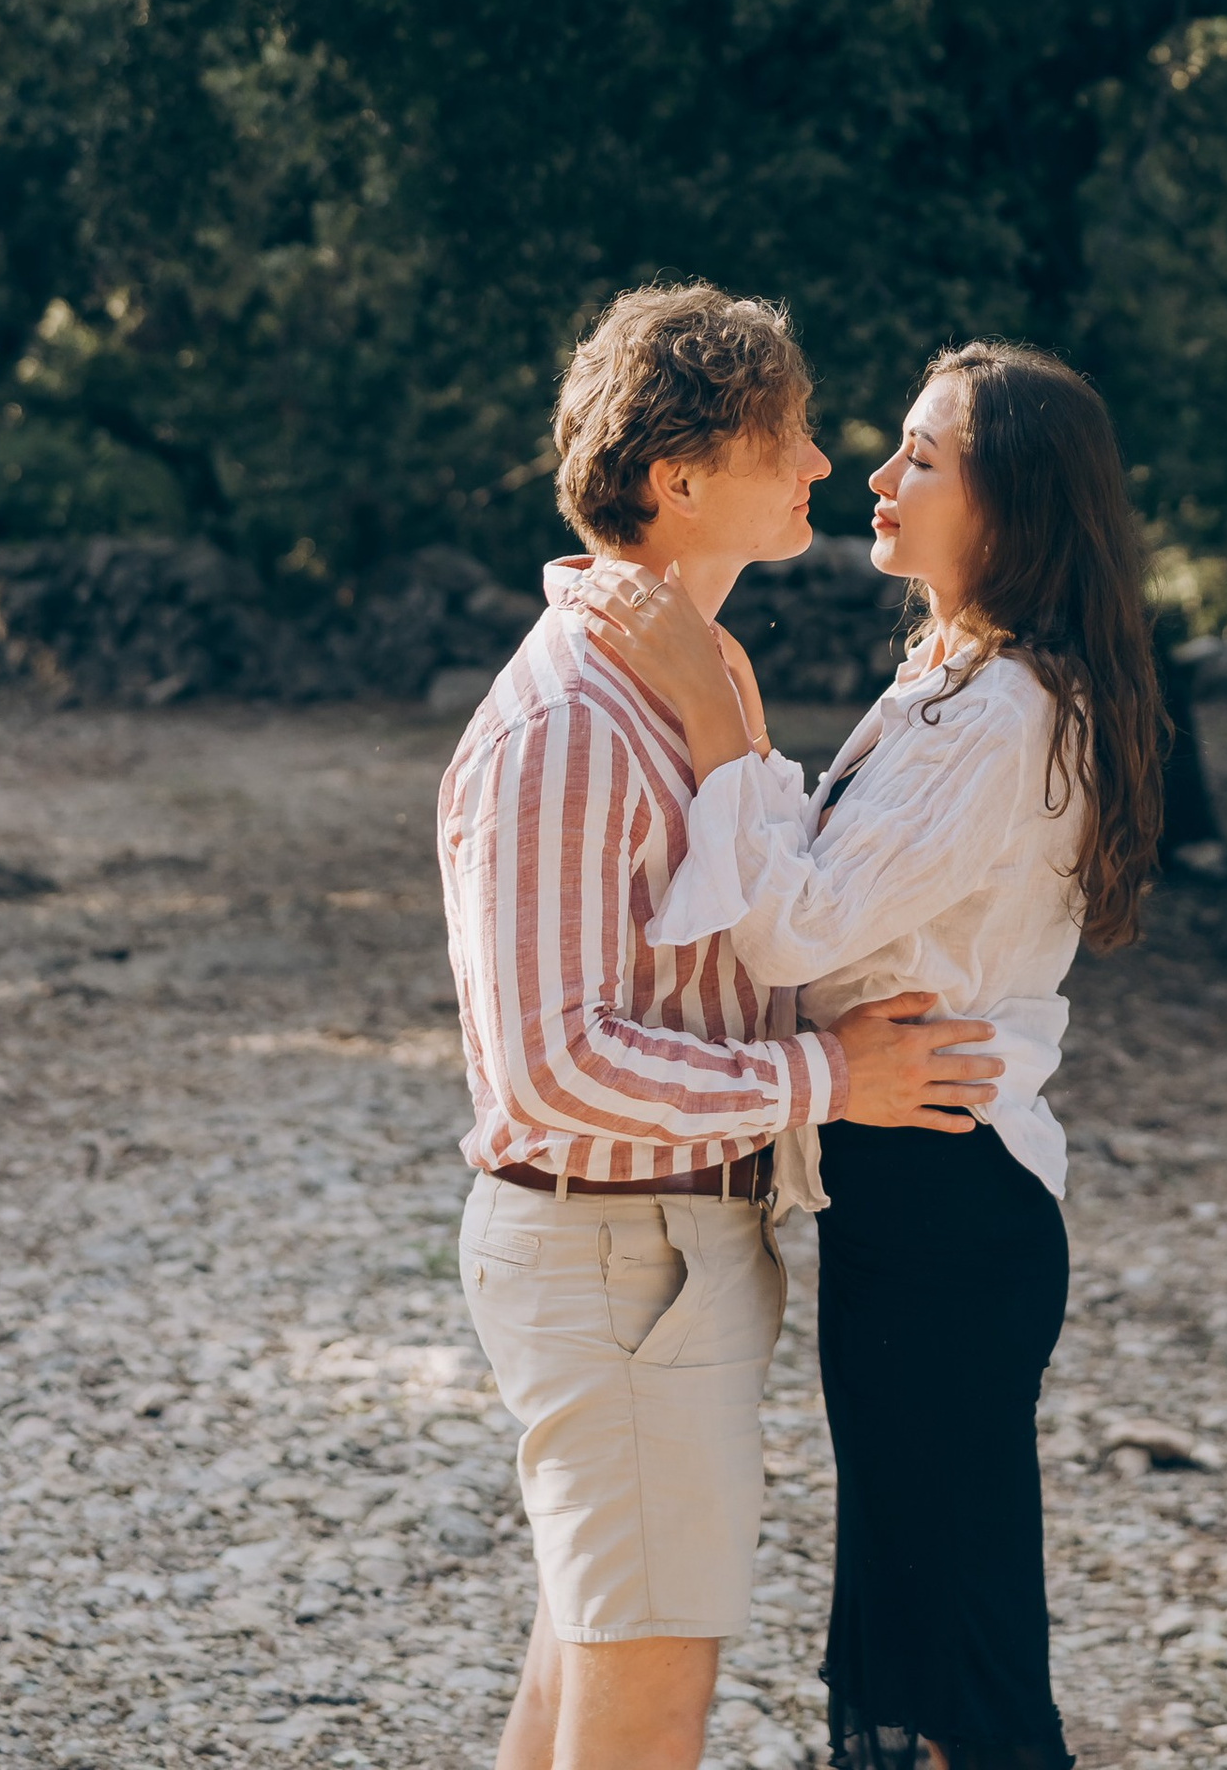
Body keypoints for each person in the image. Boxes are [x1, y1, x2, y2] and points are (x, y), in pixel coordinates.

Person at [574, 341, 1169, 1770]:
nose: (878, 476)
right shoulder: (954, 677)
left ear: (1012, 501)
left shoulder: (1014, 710)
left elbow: (799, 933)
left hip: (953, 1205)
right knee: (914, 1607)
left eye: (923, 456)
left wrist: (722, 721)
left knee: (954, 1638)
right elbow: (824, 905)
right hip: (911, 1197)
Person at [438, 283, 1004, 1770]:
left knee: (582, 1673)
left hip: (665, 1256)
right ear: (683, 481)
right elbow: (552, 1066)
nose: (823, 465)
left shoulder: (696, 676)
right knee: (644, 1709)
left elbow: (748, 925)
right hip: (615, 1255)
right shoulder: (572, 720)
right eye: (791, 438)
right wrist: (832, 1077)